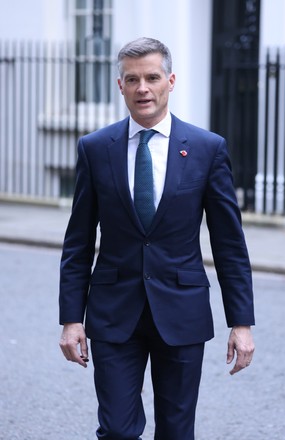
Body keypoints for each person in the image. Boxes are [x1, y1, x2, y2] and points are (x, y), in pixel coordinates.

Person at [59, 37, 255, 440]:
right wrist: (70, 319)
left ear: (170, 80)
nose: (142, 88)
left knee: (177, 431)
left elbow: (229, 245)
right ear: (120, 86)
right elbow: (78, 242)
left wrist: (242, 322)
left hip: (181, 312)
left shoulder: (206, 149)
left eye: (151, 77)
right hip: (114, 314)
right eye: (132, 79)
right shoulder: (96, 149)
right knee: (116, 429)